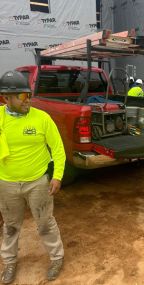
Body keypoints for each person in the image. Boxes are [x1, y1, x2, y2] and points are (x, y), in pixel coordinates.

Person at [0, 70, 66, 283]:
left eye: (29, 95)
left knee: (45, 222)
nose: (27, 100)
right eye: (21, 96)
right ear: (6, 98)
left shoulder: (42, 118)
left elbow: (57, 149)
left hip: (38, 182)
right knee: (10, 226)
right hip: (7, 183)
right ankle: (9, 262)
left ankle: (57, 258)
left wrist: (57, 176)